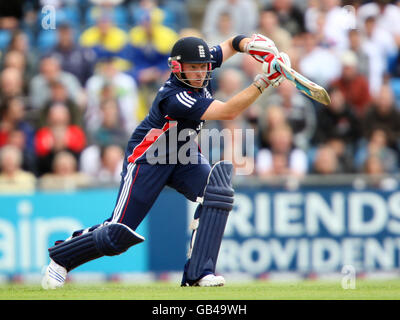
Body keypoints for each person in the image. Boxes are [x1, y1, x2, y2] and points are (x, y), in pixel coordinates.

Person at [41, 34, 291, 289]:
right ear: (176, 67)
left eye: (203, 66)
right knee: (117, 234)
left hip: (183, 153)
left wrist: (250, 45)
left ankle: (198, 273)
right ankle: (61, 258)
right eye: (192, 67)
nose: (199, 72)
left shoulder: (202, 63)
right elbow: (229, 111)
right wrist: (263, 81)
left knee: (217, 191)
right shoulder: (175, 97)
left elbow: (229, 45)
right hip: (148, 158)